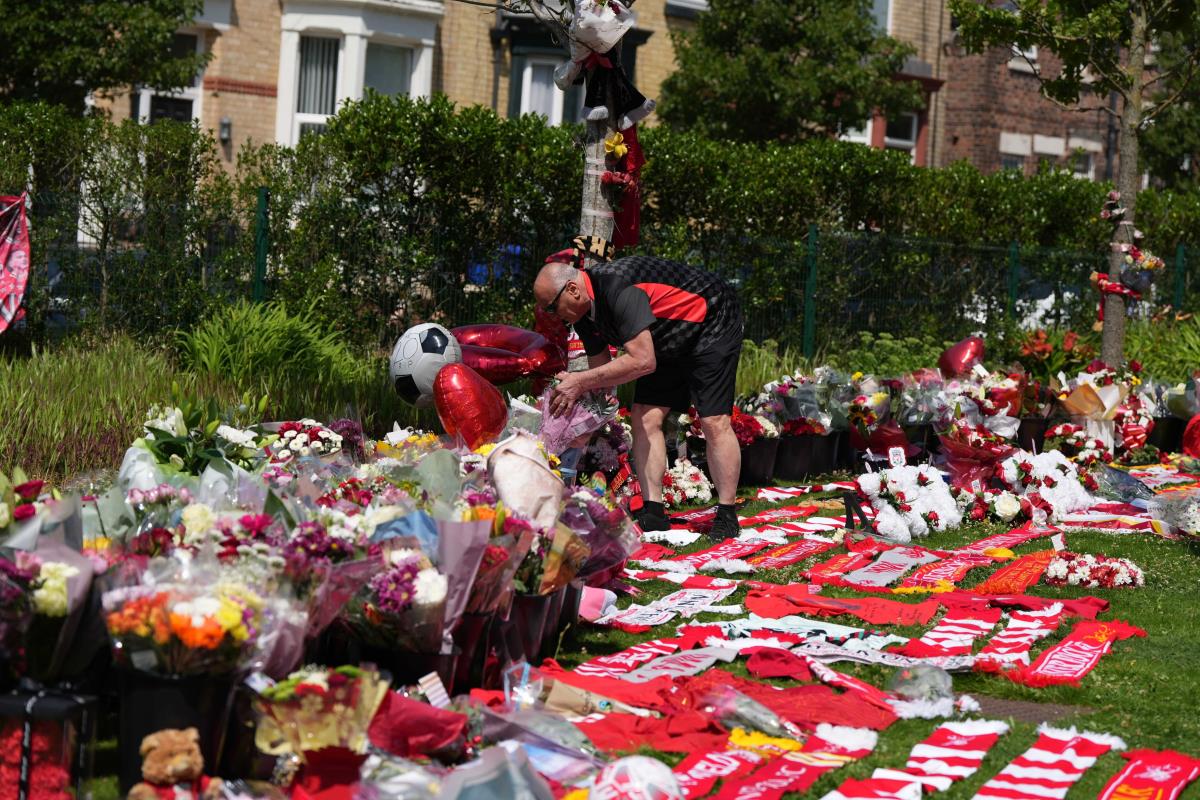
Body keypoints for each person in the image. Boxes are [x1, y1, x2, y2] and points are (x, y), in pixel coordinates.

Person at [533, 251, 744, 539]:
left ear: (572, 290)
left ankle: (727, 514)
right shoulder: (582, 314)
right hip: (664, 336)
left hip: (711, 320)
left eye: (552, 307)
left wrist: (579, 382)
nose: (552, 316)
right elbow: (601, 371)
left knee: (713, 420)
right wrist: (582, 416)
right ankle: (653, 511)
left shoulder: (619, 290)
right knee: (644, 416)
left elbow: (643, 361)